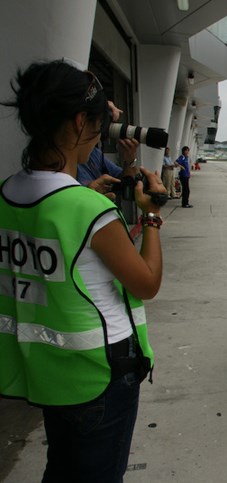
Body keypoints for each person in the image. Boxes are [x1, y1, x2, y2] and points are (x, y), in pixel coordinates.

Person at [0, 60, 166, 482]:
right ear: (78, 123)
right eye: (97, 125)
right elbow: (146, 283)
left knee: (61, 469)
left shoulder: (6, 195)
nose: (100, 137)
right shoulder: (89, 209)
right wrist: (151, 216)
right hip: (99, 375)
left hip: (47, 370)